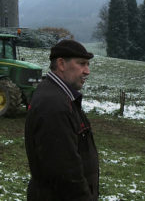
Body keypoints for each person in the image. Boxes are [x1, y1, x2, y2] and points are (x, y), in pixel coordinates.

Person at [25, 40, 99, 200]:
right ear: (61, 64)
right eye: (82, 64)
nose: (87, 71)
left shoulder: (60, 96)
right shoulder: (53, 105)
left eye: (88, 65)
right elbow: (65, 173)